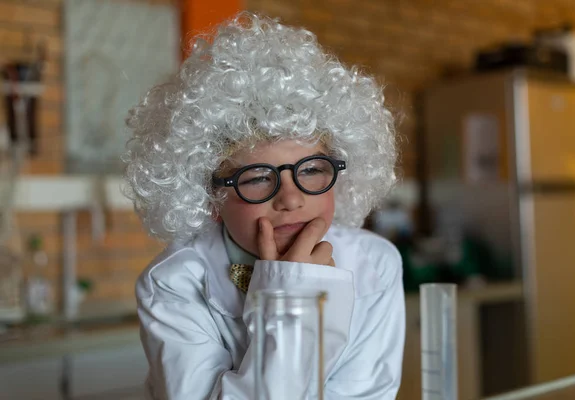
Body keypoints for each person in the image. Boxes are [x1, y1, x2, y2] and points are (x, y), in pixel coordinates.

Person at [123, 11, 405, 400]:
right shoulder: (174, 284)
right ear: (211, 198)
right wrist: (292, 298)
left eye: (311, 170)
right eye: (256, 178)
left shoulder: (374, 263)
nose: (290, 198)